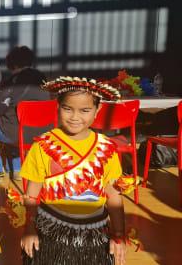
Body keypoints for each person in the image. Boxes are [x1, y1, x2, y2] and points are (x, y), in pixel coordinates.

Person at [20, 77, 127, 265]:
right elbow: (32, 192)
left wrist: (118, 233)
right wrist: (29, 228)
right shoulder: (43, 145)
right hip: (50, 231)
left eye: (85, 110)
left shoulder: (106, 148)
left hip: (95, 233)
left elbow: (113, 194)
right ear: (57, 106)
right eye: (67, 108)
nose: (75, 117)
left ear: (98, 110)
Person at [0, 45, 50, 178]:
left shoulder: (13, 81)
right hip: (42, 132)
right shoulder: (42, 79)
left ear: (12, 64)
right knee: (14, 124)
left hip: (17, 132)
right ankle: (17, 169)